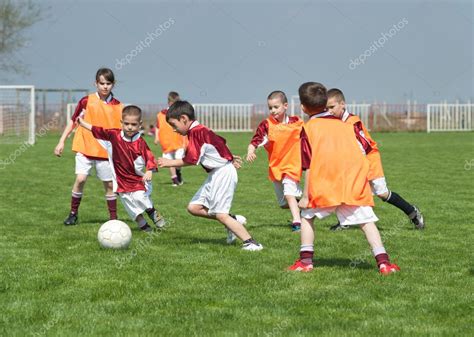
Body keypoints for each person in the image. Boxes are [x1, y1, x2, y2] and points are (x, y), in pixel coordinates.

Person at [288, 82, 400, 275]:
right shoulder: (345, 125)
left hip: (325, 185)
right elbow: (364, 148)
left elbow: (308, 164)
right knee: (366, 222)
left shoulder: (309, 128)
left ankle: (305, 262)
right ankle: (384, 263)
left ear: (303, 108)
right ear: (325, 104)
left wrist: (305, 196)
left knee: (307, 217)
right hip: (352, 183)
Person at [157, 101, 263, 251]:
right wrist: (228, 157)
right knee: (194, 208)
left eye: (174, 125)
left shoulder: (196, 132)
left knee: (221, 214)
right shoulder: (200, 130)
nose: (174, 130)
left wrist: (170, 162)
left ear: (184, 119)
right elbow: (219, 142)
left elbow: (192, 160)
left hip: (222, 173)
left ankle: (251, 243)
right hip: (217, 173)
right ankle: (232, 220)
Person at [326, 88, 424, 230]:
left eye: (332, 107)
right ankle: (345, 222)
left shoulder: (352, 122)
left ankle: (412, 212)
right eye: (326, 108)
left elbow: (364, 145)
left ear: (343, 104)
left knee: (382, 194)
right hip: (354, 163)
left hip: (369, 160)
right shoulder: (335, 122)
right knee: (345, 189)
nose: (329, 111)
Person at [77, 105, 165, 232]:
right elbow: (98, 130)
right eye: (127, 124)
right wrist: (82, 123)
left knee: (140, 197)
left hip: (137, 180)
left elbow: (149, 157)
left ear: (140, 124)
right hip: (120, 182)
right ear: (121, 123)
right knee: (130, 206)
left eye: (133, 124)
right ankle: (144, 226)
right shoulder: (114, 135)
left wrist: (150, 170)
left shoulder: (140, 142)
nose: (130, 127)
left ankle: (152, 212)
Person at [54, 68, 122, 226]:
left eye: (108, 83)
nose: (105, 86)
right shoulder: (86, 101)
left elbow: (120, 131)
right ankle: (73, 214)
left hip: (105, 151)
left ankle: (113, 219)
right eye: (102, 83)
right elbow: (73, 121)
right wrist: (61, 141)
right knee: (81, 178)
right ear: (96, 83)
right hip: (84, 147)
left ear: (113, 84)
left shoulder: (118, 106)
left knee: (110, 185)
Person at [246, 91, 304, 232]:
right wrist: (250, 151)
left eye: (276, 107)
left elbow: (310, 139)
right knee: (283, 202)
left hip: (292, 165)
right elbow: (254, 141)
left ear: (285, 106)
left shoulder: (297, 123)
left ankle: (297, 223)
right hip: (276, 166)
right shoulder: (266, 125)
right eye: (270, 107)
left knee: (289, 192)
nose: (273, 111)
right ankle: (304, 205)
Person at [154, 91, 186, 186]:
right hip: (166, 142)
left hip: (178, 141)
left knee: (179, 160)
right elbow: (158, 126)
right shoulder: (161, 114)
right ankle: (175, 179)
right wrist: (156, 137)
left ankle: (178, 172)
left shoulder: (180, 115)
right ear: (169, 102)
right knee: (169, 161)